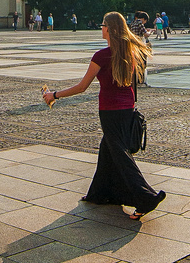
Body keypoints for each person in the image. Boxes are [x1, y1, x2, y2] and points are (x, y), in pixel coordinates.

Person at [42, 13, 164, 219]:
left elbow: (82, 87)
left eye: (103, 25)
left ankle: (145, 197)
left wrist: (53, 95)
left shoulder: (101, 56)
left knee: (120, 155)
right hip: (127, 109)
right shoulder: (131, 52)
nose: (101, 28)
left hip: (109, 111)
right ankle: (100, 193)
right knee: (107, 150)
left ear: (109, 29)